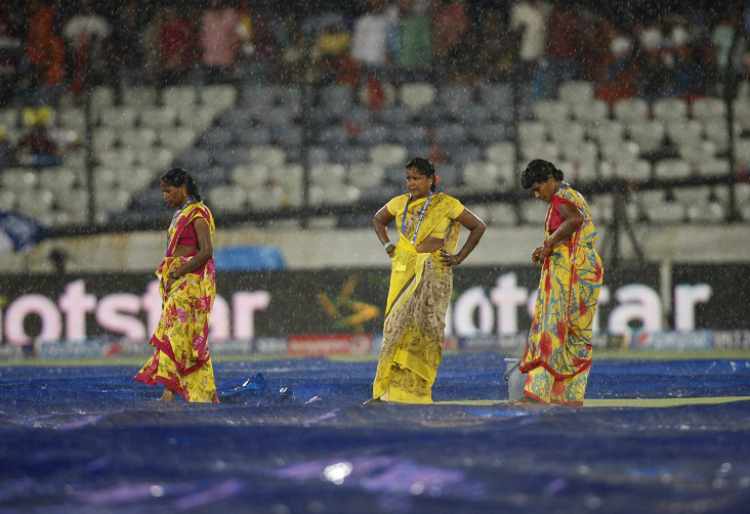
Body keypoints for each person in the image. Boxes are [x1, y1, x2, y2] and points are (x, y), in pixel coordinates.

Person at [370, 157, 486, 404]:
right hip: (404, 274)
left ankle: (417, 393)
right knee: (394, 330)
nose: (411, 183)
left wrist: (459, 257)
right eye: (408, 178)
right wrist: (388, 245)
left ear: (431, 179)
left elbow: (478, 226)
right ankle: (384, 392)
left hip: (435, 274)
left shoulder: (446, 204)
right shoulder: (399, 203)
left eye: (416, 178)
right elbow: (378, 220)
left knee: (427, 332)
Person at [518, 159, 603, 407]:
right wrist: (549, 245)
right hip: (587, 270)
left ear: (549, 180)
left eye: (537, 188)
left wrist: (548, 244)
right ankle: (569, 395)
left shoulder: (560, 198)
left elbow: (574, 220)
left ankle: (538, 393)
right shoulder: (573, 193)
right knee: (578, 333)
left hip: (570, 271)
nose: (536, 195)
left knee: (551, 328)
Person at [134, 168, 219, 403]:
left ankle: (169, 393)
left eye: (168, 191)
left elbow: (206, 252)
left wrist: (178, 271)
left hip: (189, 284)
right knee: (186, 338)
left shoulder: (197, 214)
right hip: (178, 283)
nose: (165, 197)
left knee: (176, 334)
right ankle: (203, 392)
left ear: (182, 188)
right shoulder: (181, 213)